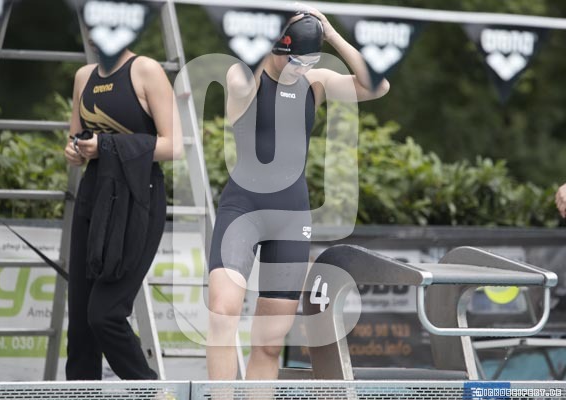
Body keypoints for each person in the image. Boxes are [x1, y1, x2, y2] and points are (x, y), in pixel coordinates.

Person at [207, 8, 390, 380]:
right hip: (243, 209)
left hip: (291, 216)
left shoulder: (314, 82)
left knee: (270, 343)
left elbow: (377, 86)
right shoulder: (244, 74)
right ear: (276, 47)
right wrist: (270, 27)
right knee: (223, 314)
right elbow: (242, 88)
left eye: (310, 61)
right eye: (295, 61)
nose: (301, 69)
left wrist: (331, 34)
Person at [63, 43, 182, 380]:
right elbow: (75, 137)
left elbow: (174, 145)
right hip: (94, 196)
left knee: (105, 315)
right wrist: (74, 150)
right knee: (81, 326)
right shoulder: (83, 76)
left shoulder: (146, 70)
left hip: (137, 197)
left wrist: (105, 146)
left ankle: (150, 391)